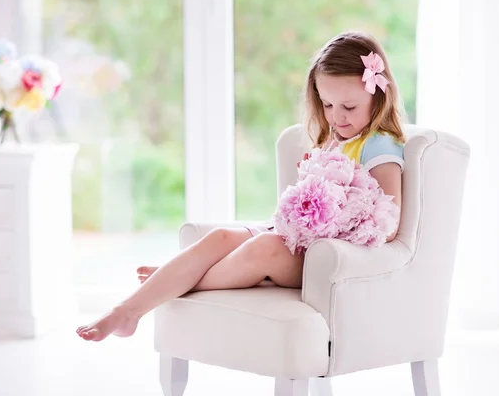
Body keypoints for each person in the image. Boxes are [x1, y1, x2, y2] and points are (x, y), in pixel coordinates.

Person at [76, 31, 406, 342]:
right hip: (296, 240)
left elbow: (387, 224)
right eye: (327, 105)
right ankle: (126, 310)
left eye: (349, 107)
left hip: (325, 257)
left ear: (377, 96)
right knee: (219, 237)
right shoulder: (333, 141)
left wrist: (334, 218)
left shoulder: (379, 146)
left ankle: (175, 283)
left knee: (262, 248)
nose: (336, 117)